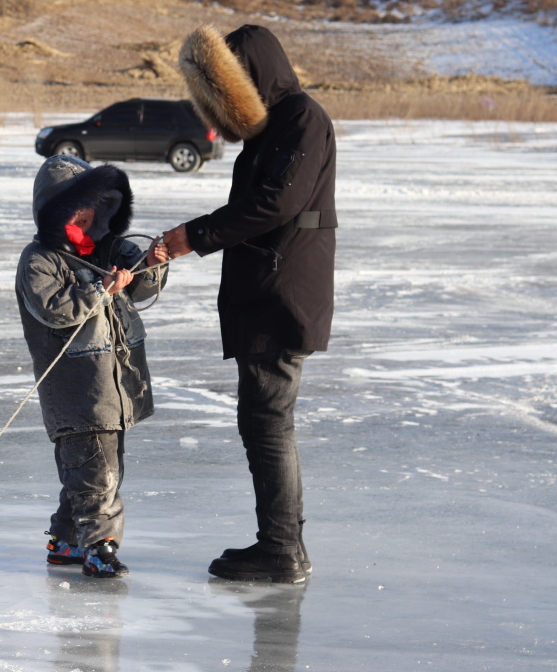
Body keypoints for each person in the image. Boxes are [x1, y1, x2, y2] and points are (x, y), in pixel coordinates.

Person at [164, 24, 337, 583]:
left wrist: (193, 235)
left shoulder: (302, 118)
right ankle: (286, 546)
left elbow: (276, 203)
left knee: (268, 423)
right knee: (265, 422)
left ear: (250, 78)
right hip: (267, 294)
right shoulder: (274, 129)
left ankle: (280, 549)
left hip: (280, 299)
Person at [16, 155, 169, 579]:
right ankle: (100, 547)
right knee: (97, 473)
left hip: (114, 384)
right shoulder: (40, 260)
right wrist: (99, 288)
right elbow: (55, 309)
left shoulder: (108, 248)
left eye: (95, 206)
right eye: (78, 206)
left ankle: (66, 541)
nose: (88, 215)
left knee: (92, 468)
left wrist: (153, 265)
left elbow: (139, 286)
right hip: (76, 389)